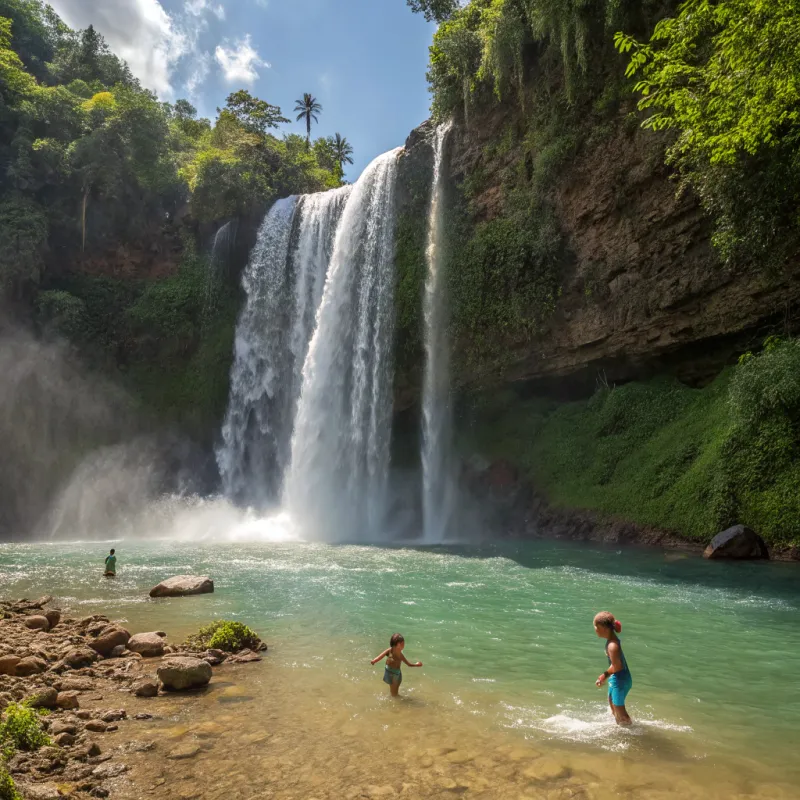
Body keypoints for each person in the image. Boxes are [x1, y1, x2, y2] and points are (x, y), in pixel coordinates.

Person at [593, 611, 632, 726]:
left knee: (620, 710)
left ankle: (632, 732)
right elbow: (615, 665)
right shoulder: (611, 642)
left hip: (620, 680)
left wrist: (604, 675)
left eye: (596, 626)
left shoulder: (612, 645)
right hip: (618, 677)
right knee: (612, 702)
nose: (595, 629)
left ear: (604, 628)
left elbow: (617, 666)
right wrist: (605, 676)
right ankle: (619, 726)